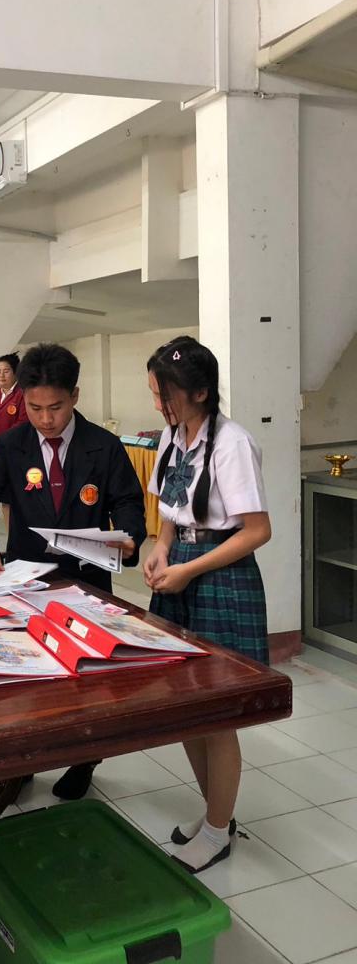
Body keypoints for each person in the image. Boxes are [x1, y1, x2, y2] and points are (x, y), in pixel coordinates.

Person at [0, 342, 147, 800]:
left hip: (87, 581)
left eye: (56, 407)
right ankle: (25, 762)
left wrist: (129, 534)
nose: (46, 419)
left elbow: (128, 501)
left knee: (86, 678)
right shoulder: (13, 445)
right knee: (30, 676)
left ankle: (85, 759)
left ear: (75, 396)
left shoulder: (103, 446)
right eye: (35, 408)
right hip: (27, 580)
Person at [143, 335, 271, 874]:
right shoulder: (174, 437)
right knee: (184, 705)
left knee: (216, 711)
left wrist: (188, 568)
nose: (159, 404)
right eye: (155, 393)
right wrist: (161, 549)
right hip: (181, 570)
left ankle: (218, 831)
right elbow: (171, 511)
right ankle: (218, 814)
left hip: (220, 576)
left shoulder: (232, 443)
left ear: (199, 392)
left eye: (166, 394)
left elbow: (257, 531)